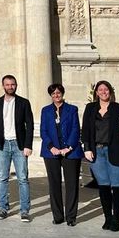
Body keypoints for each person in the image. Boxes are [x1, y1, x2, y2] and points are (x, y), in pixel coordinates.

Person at [82, 80, 119, 232]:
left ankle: (117, 219)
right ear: (96, 93)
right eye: (100, 89)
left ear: (110, 91)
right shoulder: (90, 108)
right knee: (103, 186)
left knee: (117, 185)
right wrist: (87, 148)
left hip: (115, 150)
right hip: (96, 151)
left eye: (106, 89)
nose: (103, 92)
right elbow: (86, 130)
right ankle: (108, 217)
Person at [0, 75, 34, 222]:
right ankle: (2, 208)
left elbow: (30, 125)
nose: (10, 87)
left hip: (19, 145)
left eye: (13, 84)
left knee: (22, 178)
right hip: (2, 145)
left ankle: (25, 210)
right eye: (7, 84)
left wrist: (28, 145)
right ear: (3, 86)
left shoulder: (24, 103)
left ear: (16, 85)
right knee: (2, 177)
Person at [40, 84, 84, 226]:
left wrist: (68, 147)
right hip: (51, 152)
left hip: (70, 152)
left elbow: (76, 129)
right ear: (50, 95)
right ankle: (58, 216)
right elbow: (43, 131)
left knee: (71, 185)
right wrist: (51, 147)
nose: (56, 95)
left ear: (62, 93)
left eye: (58, 93)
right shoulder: (46, 111)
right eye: (53, 93)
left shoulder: (72, 109)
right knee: (54, 184)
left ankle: (71, 217)